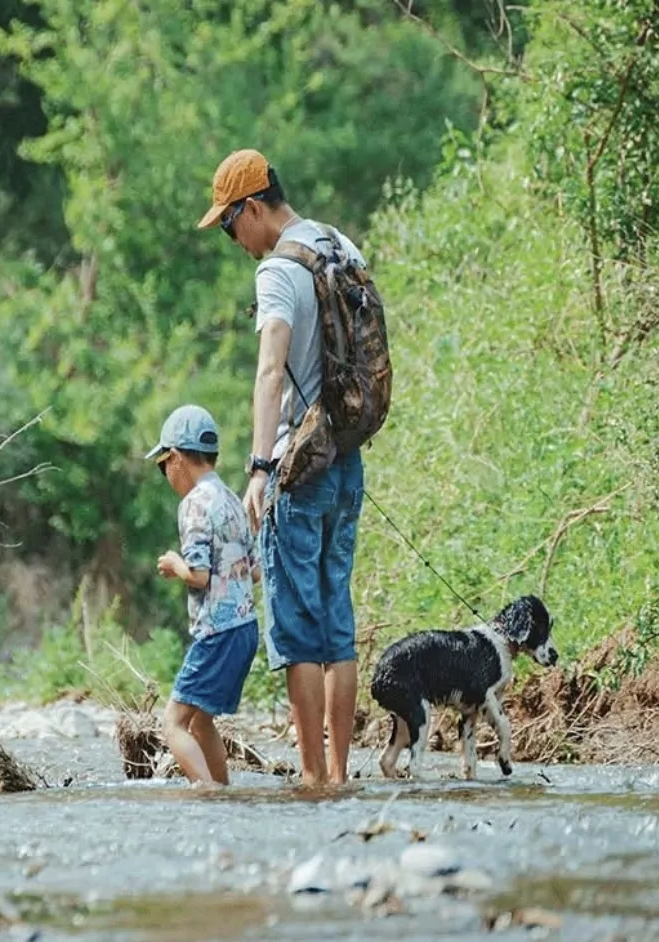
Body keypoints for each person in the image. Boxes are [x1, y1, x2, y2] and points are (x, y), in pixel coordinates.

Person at [197, 149, 367, 788]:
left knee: (297, 629)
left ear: (252, 208)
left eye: (226, 223)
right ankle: (342, 774)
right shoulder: (339, 244)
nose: (229, 237)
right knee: (337, 618)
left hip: (300, 464)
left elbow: (271, 371)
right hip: (349, 461)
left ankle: (312, 773)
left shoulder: (277, 271)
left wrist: (260, 469)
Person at [146, 404, 260, 787]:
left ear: (176, 457)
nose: (165, 474)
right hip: (245, 628)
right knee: (201, 720)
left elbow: (198, 575)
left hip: (216, 632)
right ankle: (223, 791)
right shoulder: (231, 499)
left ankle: (207, 792)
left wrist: (174, 564)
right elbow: (255, 570)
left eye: (163, 464)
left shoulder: (193, 504)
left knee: (173, 723)